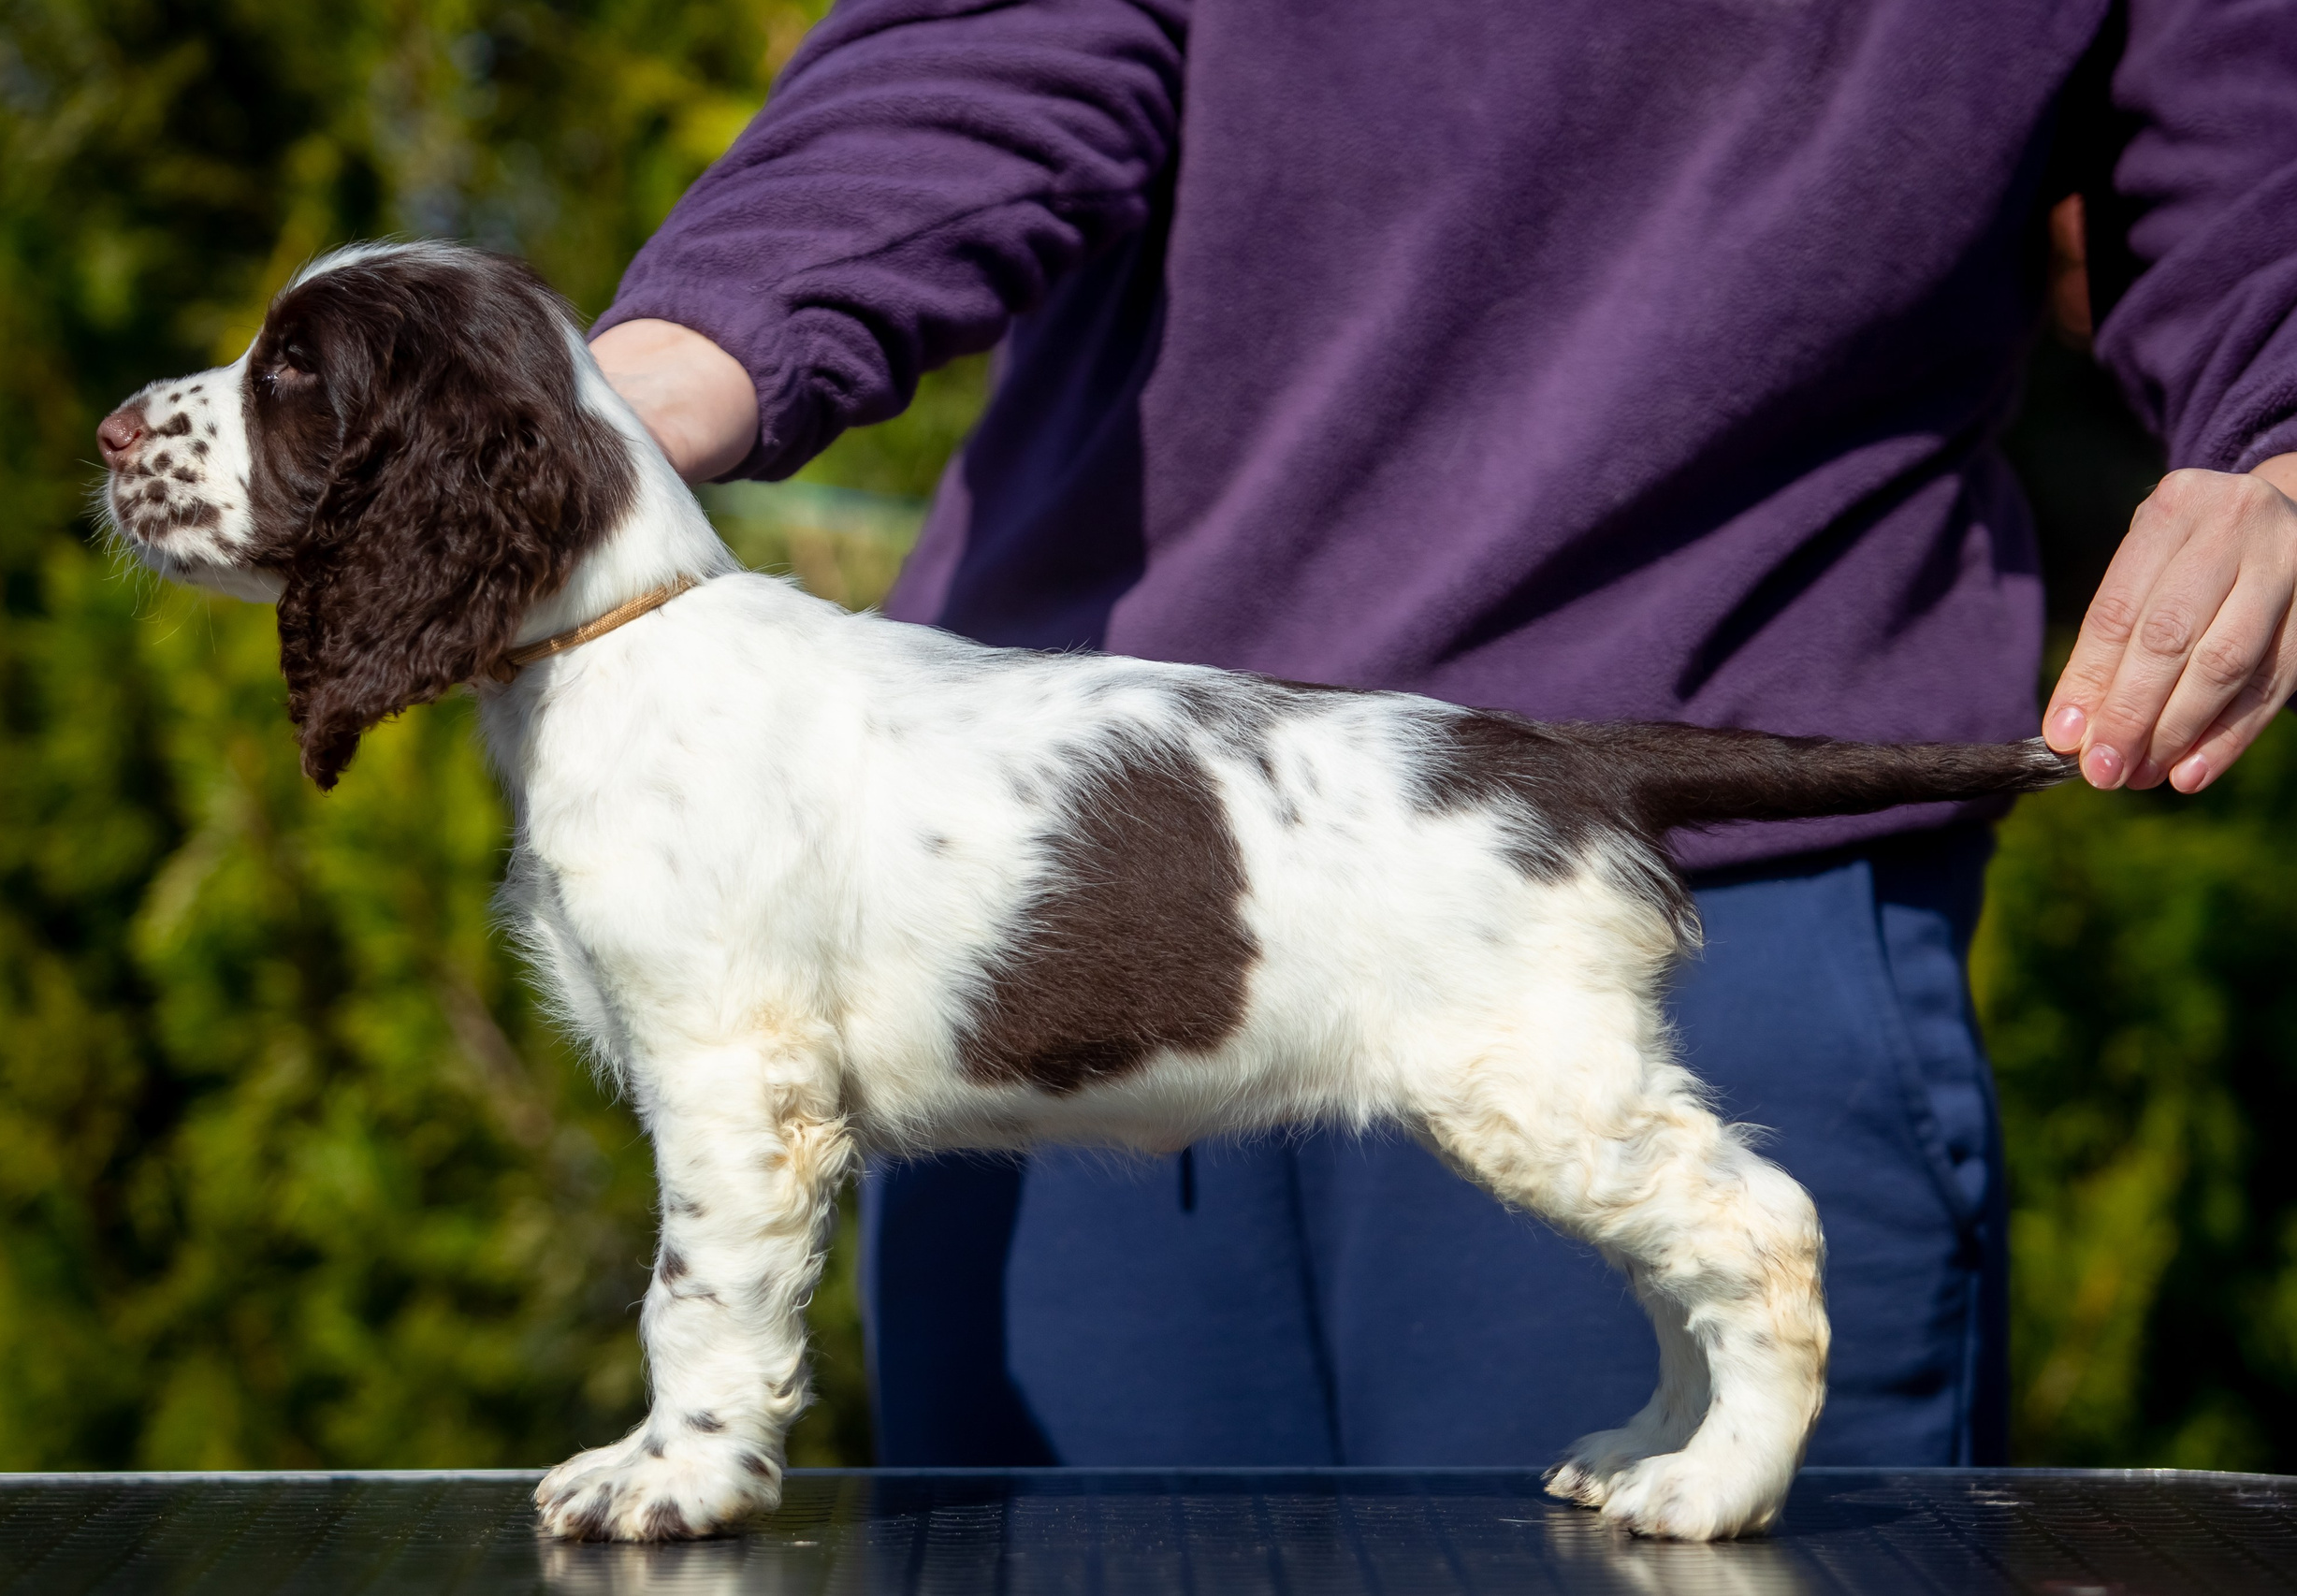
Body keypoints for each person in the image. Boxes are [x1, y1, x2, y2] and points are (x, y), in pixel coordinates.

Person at [585, 0, 2297, 1468]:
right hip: (1034, 873)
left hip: (1680, 839)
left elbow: (2248, 131)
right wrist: (670, 363)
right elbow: (993, 37)